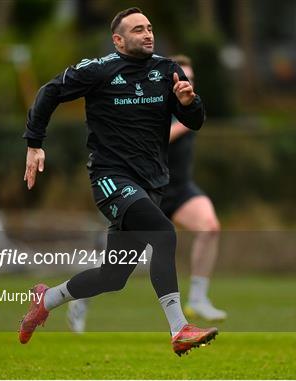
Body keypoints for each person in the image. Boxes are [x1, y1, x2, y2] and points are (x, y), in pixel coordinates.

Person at [19, 7, 218, 356]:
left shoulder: (166, 70)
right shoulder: (98, 70)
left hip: (152, 183)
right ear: (118, 40)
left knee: (113, 277)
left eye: (150, 27)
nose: (147, 34)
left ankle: (46, 299)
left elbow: (195, 120)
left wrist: (189, 103)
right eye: (138, 29)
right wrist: (34, 144)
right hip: (111, 178)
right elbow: (49, 92)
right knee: (164, 233)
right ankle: (179, 328)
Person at [67, 56, 225, 334]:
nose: (186, 84)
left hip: (178, 190)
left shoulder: (189, 105)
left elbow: (194, 119)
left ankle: (198, 298)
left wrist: (190, 110)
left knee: (210, 226)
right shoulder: (151, 105)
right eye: (181, 77)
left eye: (191, 79)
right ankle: (81, 300)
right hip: (141, 189)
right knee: (114, 270)